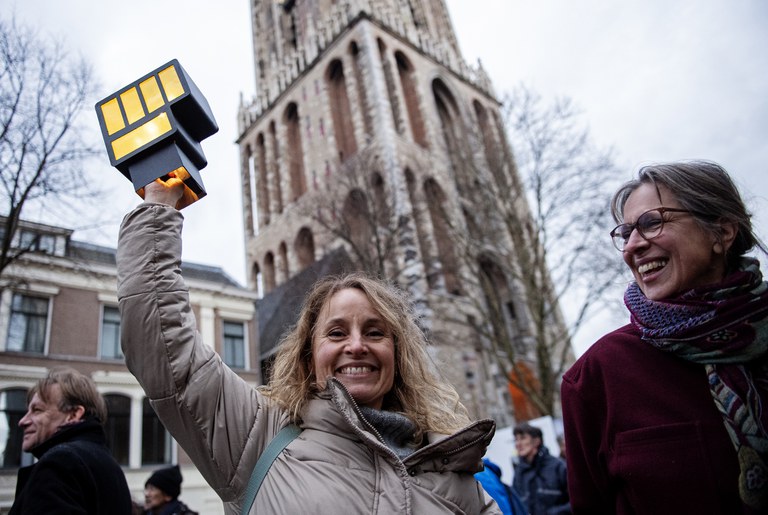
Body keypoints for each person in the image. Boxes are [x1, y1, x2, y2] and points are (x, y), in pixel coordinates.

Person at [116, 173, 500, 514]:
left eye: (375, 332)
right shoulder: (256, 438)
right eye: (336, 333)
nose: (356, 345)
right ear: (308, 355)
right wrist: (159, 204)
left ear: (398, 354)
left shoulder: (454, 475)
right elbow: (165, 347)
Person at [561, 160, 768, 514]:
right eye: (626, 233)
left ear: (723, 231)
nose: (632, 246)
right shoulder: (598, 374)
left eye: (651, 223)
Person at [10, 366, 133, 514]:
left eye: (37, 410)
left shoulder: (59, 463)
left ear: (74, 414)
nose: (22, 421)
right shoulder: (110, 466)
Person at [512, 423, 570, 514]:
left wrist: (552, 513)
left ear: (536, 441)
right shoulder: (519, 473)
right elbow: (515, 505)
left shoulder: (558, 467)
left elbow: (577, 501)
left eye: (523, 438)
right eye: (516, 440)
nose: (518, 444)